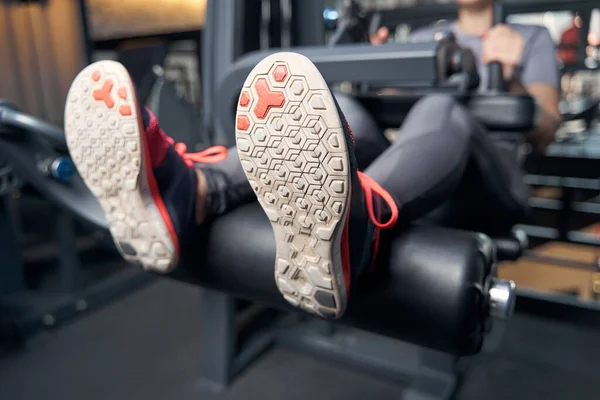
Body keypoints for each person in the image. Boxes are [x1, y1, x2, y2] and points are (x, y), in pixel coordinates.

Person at [64, 0, 560, 319]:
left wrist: (513, 70)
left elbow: (545, 127)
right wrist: (373, 60)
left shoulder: (529, 37)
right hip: (424, 163)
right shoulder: (427, 36)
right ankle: (190, 192)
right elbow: (384, 99)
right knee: (345, 109)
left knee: (439, 106)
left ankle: (359, 223)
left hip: (493, 178)